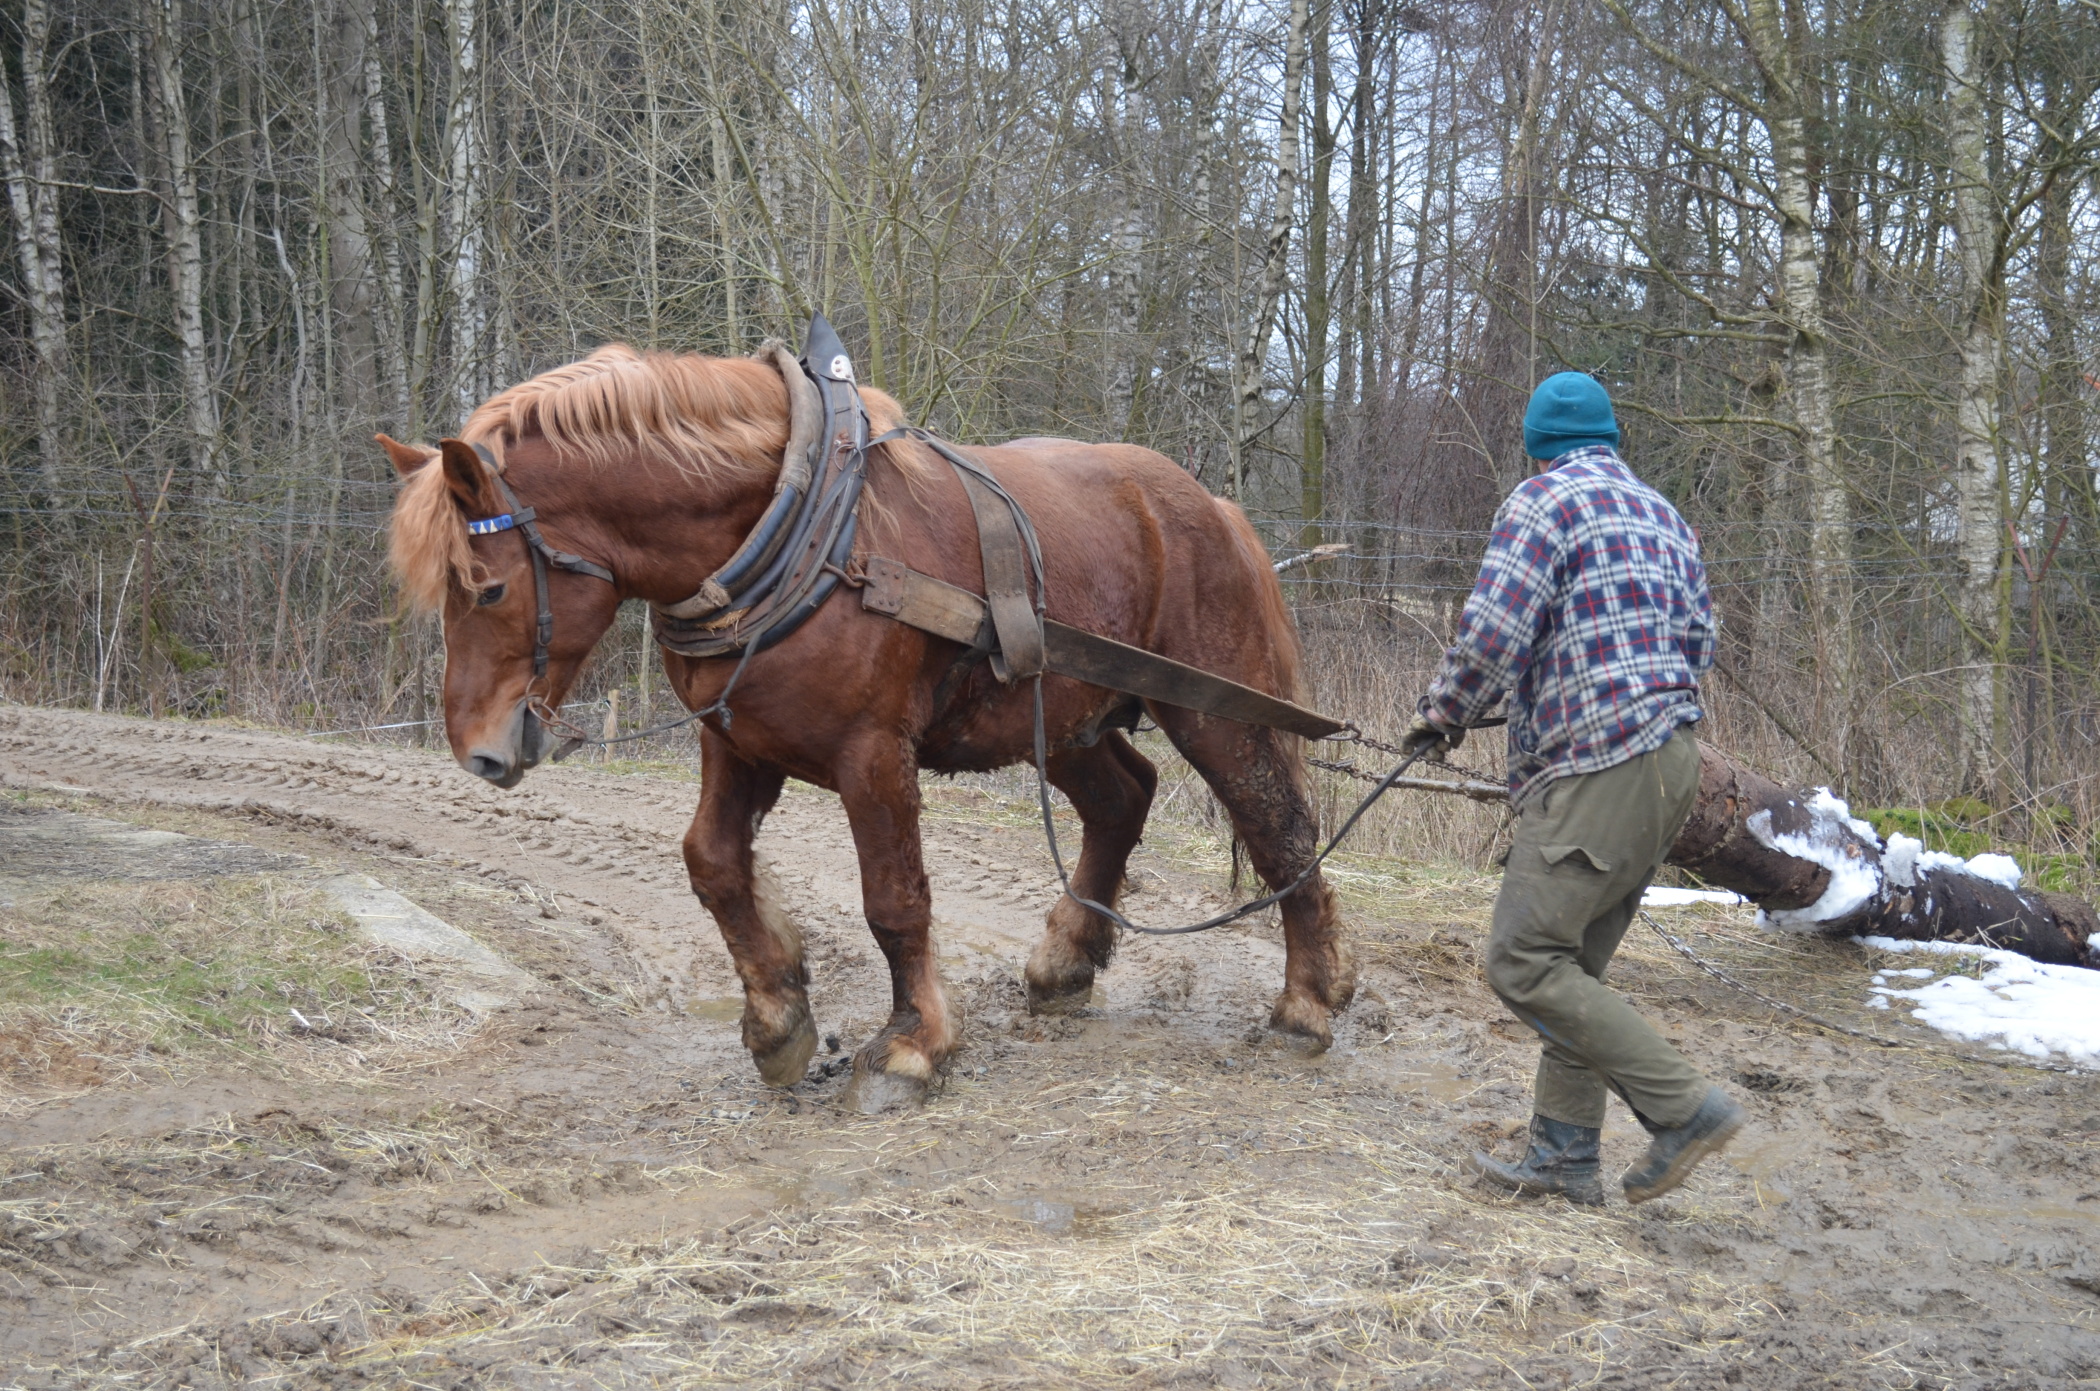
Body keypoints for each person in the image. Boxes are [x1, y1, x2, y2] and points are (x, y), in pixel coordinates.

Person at [1400, 371, 1742, 1206]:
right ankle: (1562, 1155)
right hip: (1674, 763)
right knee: (1573, 962)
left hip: (1597, 766)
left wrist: (1442, 713)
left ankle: (1684, 1108)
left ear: (1536, 446)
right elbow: (1700, 641)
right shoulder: (1664, 514)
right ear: (1612, 436)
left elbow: (1494, 632)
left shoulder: (1542, 502)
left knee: (1522, 960)